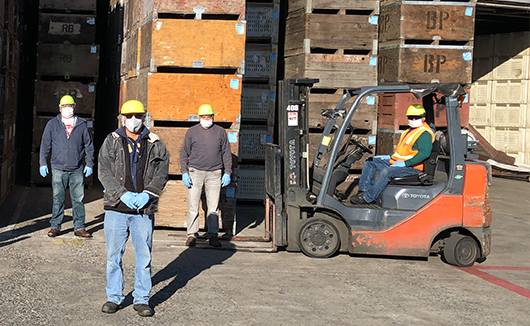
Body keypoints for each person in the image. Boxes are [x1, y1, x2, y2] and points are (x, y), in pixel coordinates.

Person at [98, 100, 169, 317]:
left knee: (144, 256)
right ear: (122, 118)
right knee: (113, 256)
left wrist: (149, 193)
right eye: (129, 116)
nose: (133, 120)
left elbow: (162, 172)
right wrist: (122, 193)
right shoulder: (111, 141)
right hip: (116, 207)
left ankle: (141, 299)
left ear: (144, 117)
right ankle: (114, 297)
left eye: (137, 115)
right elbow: (104, 171)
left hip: (143, 209)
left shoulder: (156, 143)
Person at [350, 104, 435, 205]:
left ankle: (368, 198)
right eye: (410, 117)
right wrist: (389, 156)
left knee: (387, 171)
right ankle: (363, 191)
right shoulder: (408, 131)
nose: (412, 119)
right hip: (399, 163)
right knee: (371, 162)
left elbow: (424, 153)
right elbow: (401, 151)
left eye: (416, 118)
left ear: (423, 118)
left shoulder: (424, 134)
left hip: (413, 167)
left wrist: (406, 163)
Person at [39, 95, 94, 238]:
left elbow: (89, 146)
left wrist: (89, 163)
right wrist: (43, 163)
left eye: (70, 106)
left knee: (78, 199)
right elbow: (45, 145)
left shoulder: (81, 124)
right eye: (64, 106)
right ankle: (55, 226)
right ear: (59, 108)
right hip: (58, 168)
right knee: (58, 198)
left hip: (76, 169)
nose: (67, 109)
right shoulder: (52, 124)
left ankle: (79, 227)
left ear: (74, 107)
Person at [179, 104, 232, 248]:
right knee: (193, 204)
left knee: (213, 206)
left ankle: (213, 235)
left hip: (215, 173)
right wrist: (184, 172)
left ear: (213, 117)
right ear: (199, 118)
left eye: (209, 117)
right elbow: (184, 153)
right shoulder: (192, 132)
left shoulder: (220, 132)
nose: (206, 120)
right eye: (204, 117)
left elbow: (226, 153)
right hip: (195, 172)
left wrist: (227, 172)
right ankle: (191, 234)